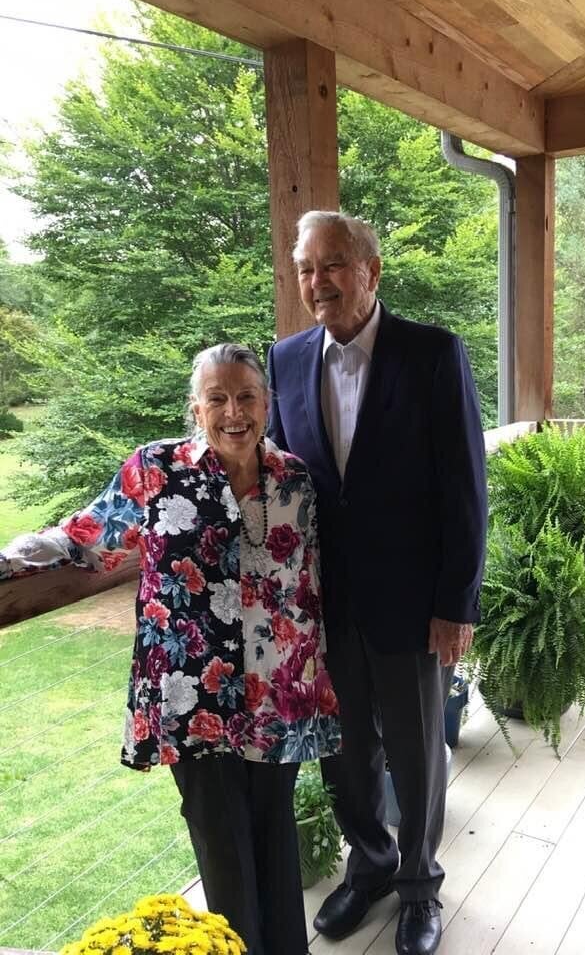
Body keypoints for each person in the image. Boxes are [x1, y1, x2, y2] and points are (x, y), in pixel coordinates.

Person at [0, 343, 340, 955]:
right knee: (222, 842)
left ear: (267, 404)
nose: (233, 411)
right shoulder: (155, 468)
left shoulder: (293, 477)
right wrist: (14, 556)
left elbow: (307, 579)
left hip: (278, 692)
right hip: (192, 694)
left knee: (274, 832)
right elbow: (86, 535)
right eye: (217, 398)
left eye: (246, 397)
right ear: (196, 407)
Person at [267, 211, 487, 955]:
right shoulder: (285, 360)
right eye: (305, 268)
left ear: (371, 271)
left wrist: (456, 604)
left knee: (418, 750)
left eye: (333, 264)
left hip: (410, 603)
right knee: (344, 749)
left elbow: (463, 488)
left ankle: (421, 887)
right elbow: (278, 477)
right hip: (325, 607)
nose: (317, 281)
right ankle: (371, 866)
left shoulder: (431, 354)